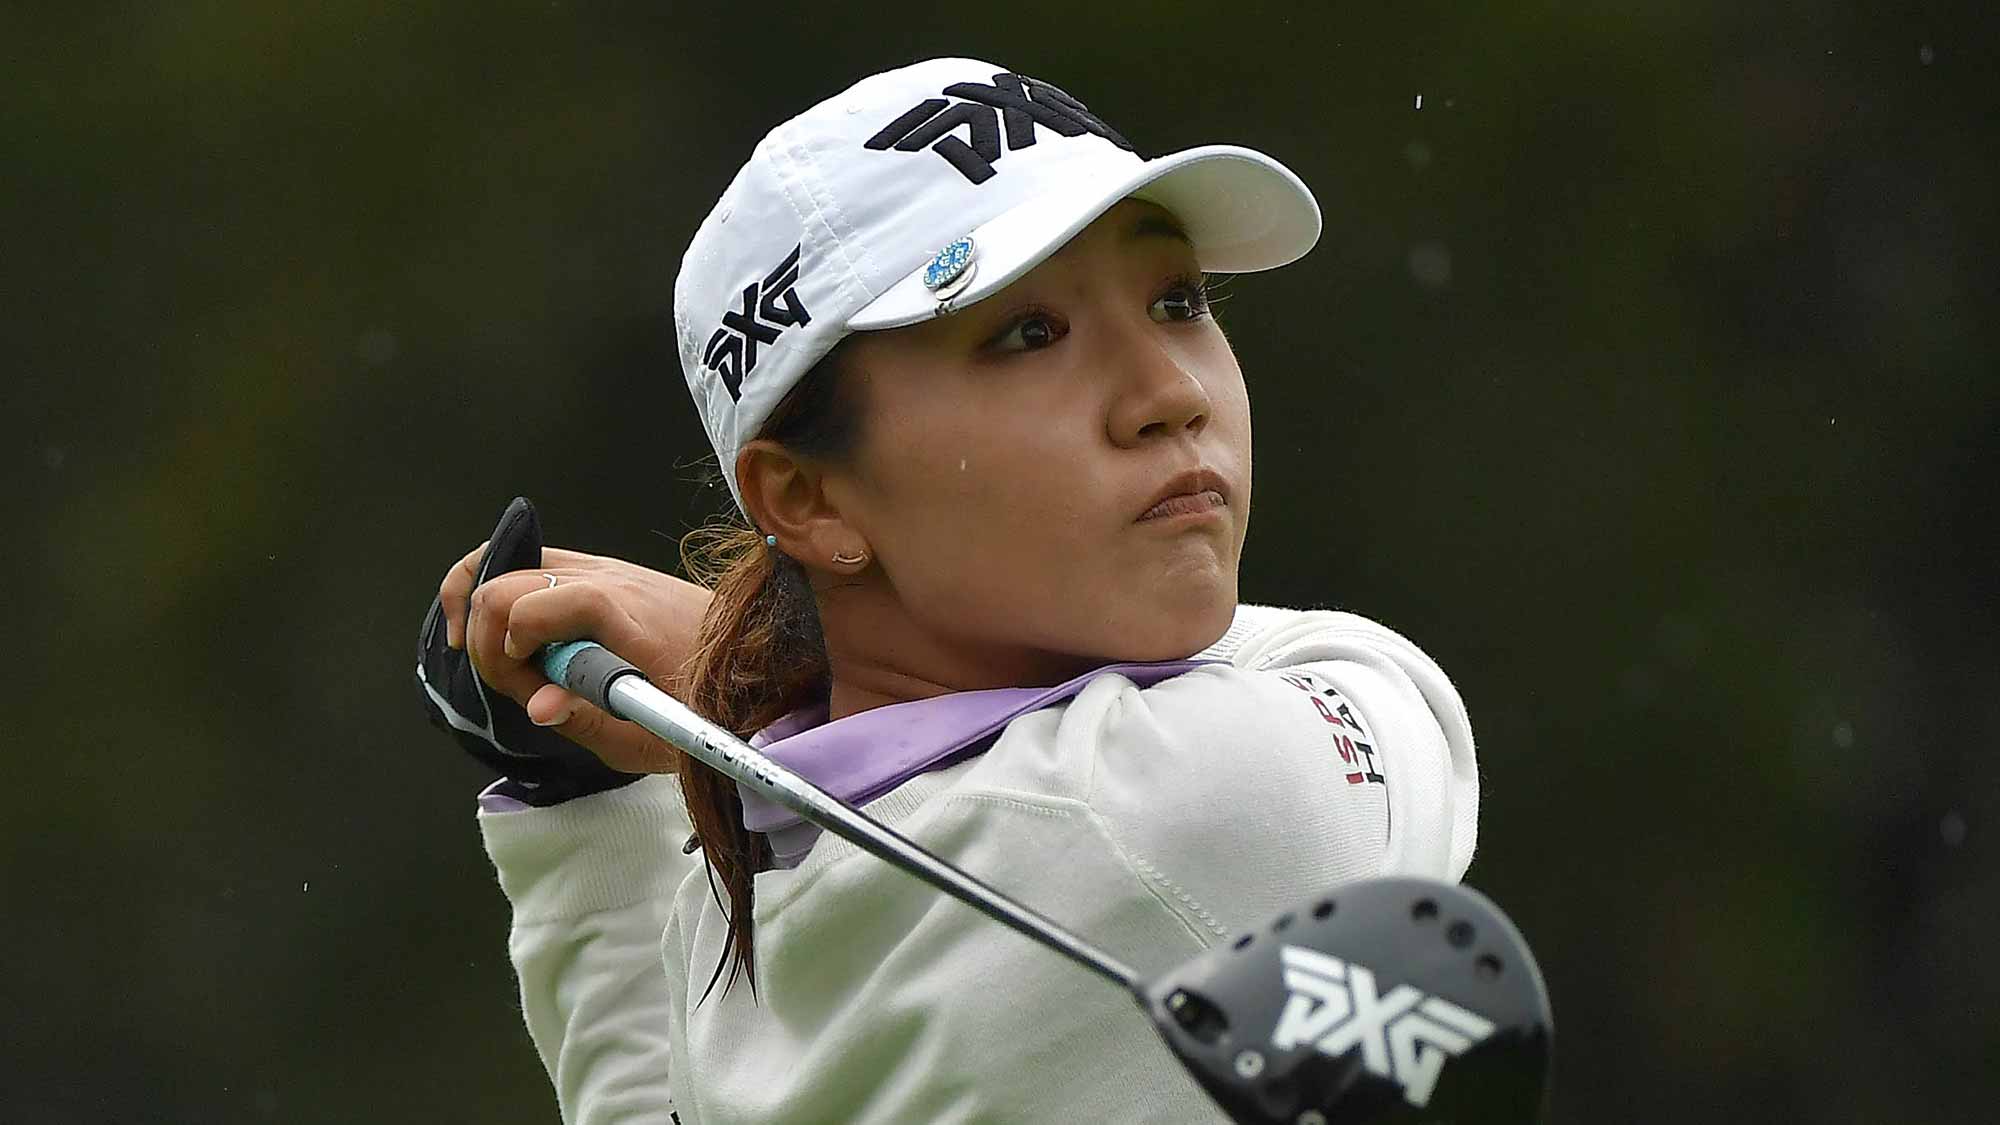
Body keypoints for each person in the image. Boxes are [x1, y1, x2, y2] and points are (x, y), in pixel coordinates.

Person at [415, 57, 1479, 1124]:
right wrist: (731, 677)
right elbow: (1401, 696)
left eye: (1176, 299)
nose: (1169, 392)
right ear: (808, 500)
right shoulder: (1169, 805)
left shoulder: (767, 883)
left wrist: (590, 802)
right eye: (1027, 335)